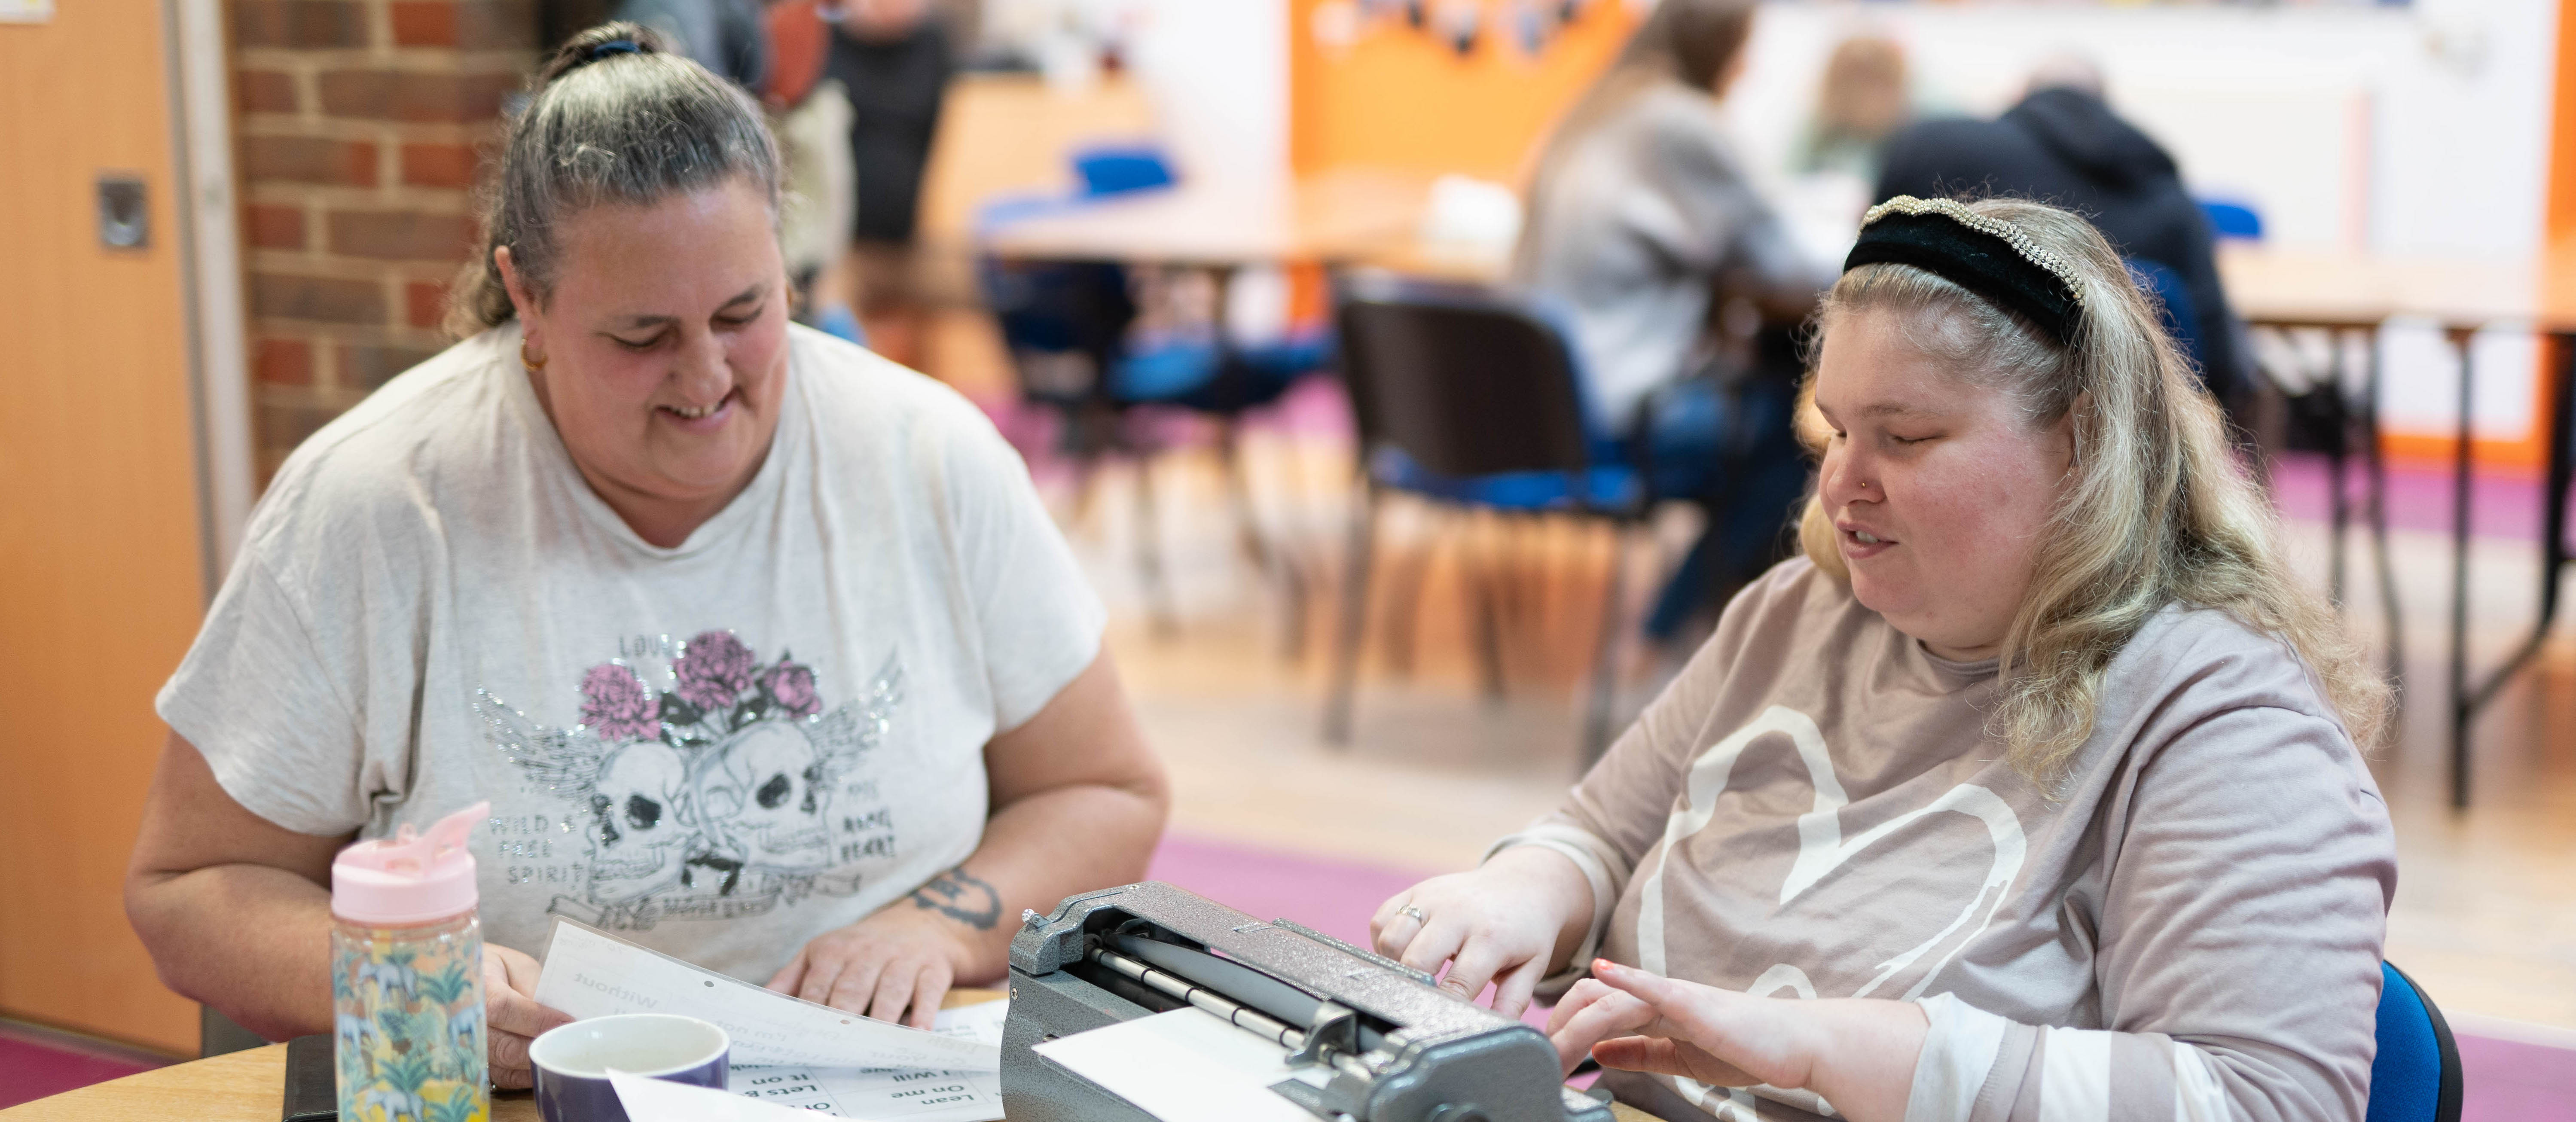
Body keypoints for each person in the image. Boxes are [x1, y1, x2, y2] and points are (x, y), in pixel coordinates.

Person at [124, 24, 1167, 1090]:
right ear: (525, 298)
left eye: (743, 312)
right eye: (642, 337)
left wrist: (934, 930)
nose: (707, 376)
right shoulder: (380, 504)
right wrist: (413, 980)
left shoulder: (925, 456)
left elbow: (1103, 789)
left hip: (868, 1088)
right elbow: (193, 886)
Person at [1372, 197, 2394, 1122]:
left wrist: (1826, 1049)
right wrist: (1526, 894)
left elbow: (2266, 1102)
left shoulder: (2221, 724)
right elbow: (1599, 834)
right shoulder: (1796, 612)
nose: (1839, 488)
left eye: (1903, 438)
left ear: (2082, 444)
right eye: (1834, 432)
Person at [1515, 0, 1832, 644]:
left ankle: (1706, 628)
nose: (1748, 67)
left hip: (1535, 404)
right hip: (1610, 416)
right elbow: (1788, 264)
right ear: (1717, 48)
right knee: (1797, 433)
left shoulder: (1598, 107)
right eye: (1744, 49)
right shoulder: (1679, 124)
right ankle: (1670, 634)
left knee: (1766, 403)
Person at [1874, 57, 2254, 415]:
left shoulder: (1932, 147)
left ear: (2020, 97)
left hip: (1934, 400)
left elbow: (1870, 273)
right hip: (2128, 431)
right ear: (2106, 108)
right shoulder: (2163, 187)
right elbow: (2218, 364)